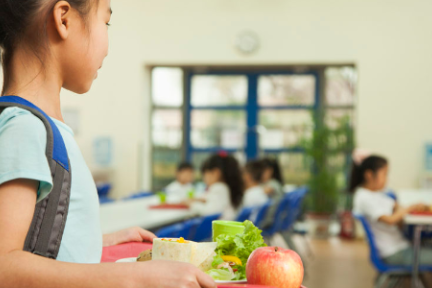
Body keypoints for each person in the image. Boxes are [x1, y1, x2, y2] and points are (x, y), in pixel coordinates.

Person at [0, 1, 215, 287]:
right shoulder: (25, 128)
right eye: (106, 21)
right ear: (64, 19)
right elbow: (4, 266)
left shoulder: (42, 128)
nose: (108, 45)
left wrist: (93, 243)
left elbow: (33, 246)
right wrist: (135, 278)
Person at [350, 152, 432, 266]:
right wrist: (409, 208)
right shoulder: (364, 197)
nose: (387, 178)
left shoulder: (375, 193)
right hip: (394, 253)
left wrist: (409, 208)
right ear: (369, 175)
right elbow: (390, 220)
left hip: (399, 246)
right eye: (384, 174)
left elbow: (395, 205)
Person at [186, 153, 244, 220]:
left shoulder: (219, 187)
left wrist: (191, 204)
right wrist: (198, 200)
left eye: (204, 174)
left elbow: (211, 212)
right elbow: (208, 198)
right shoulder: (228, 187)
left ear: (216, 173)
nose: (204, 179)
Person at [260, 158, 284, 227]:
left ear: (269, 171)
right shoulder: (274, 183)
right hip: (272, 218)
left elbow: (261, 192)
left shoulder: (273, 184)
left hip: (269, 220)